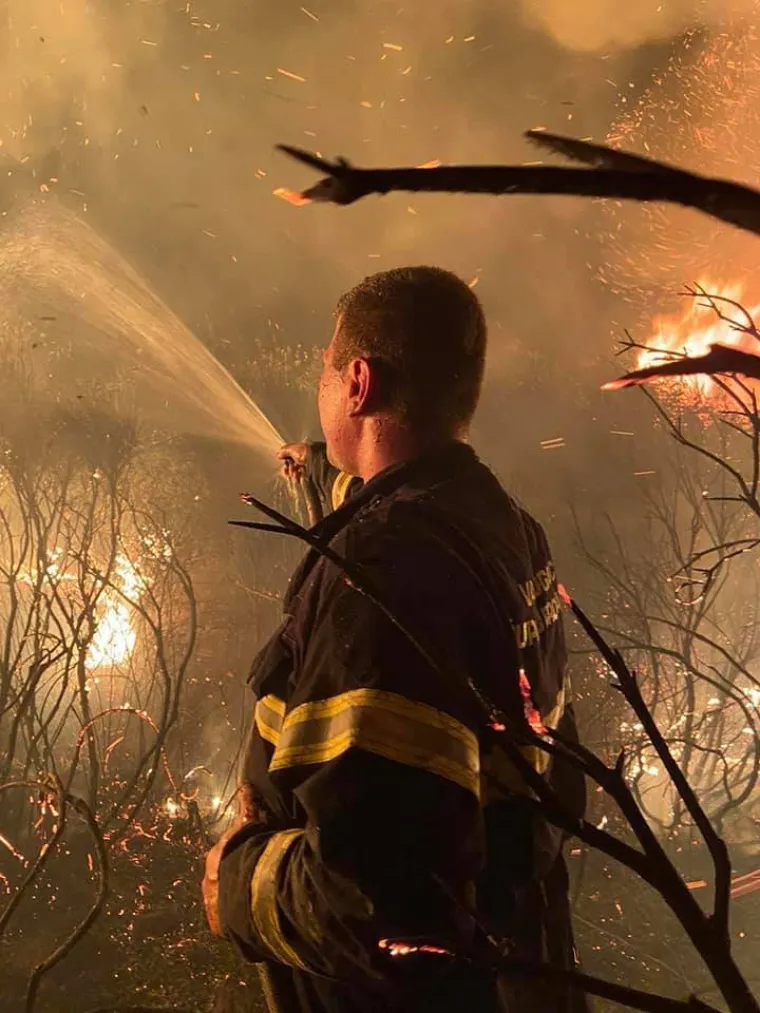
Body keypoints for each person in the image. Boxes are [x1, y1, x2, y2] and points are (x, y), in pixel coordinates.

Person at [203, 266, 587, 1013]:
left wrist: (242, 886)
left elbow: (376, 903)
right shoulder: (497, 521)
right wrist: (320, 473)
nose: (321, 386)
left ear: (358, 382)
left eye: (326, 369)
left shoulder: (381, 578)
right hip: (521, 974)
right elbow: (395, 504)